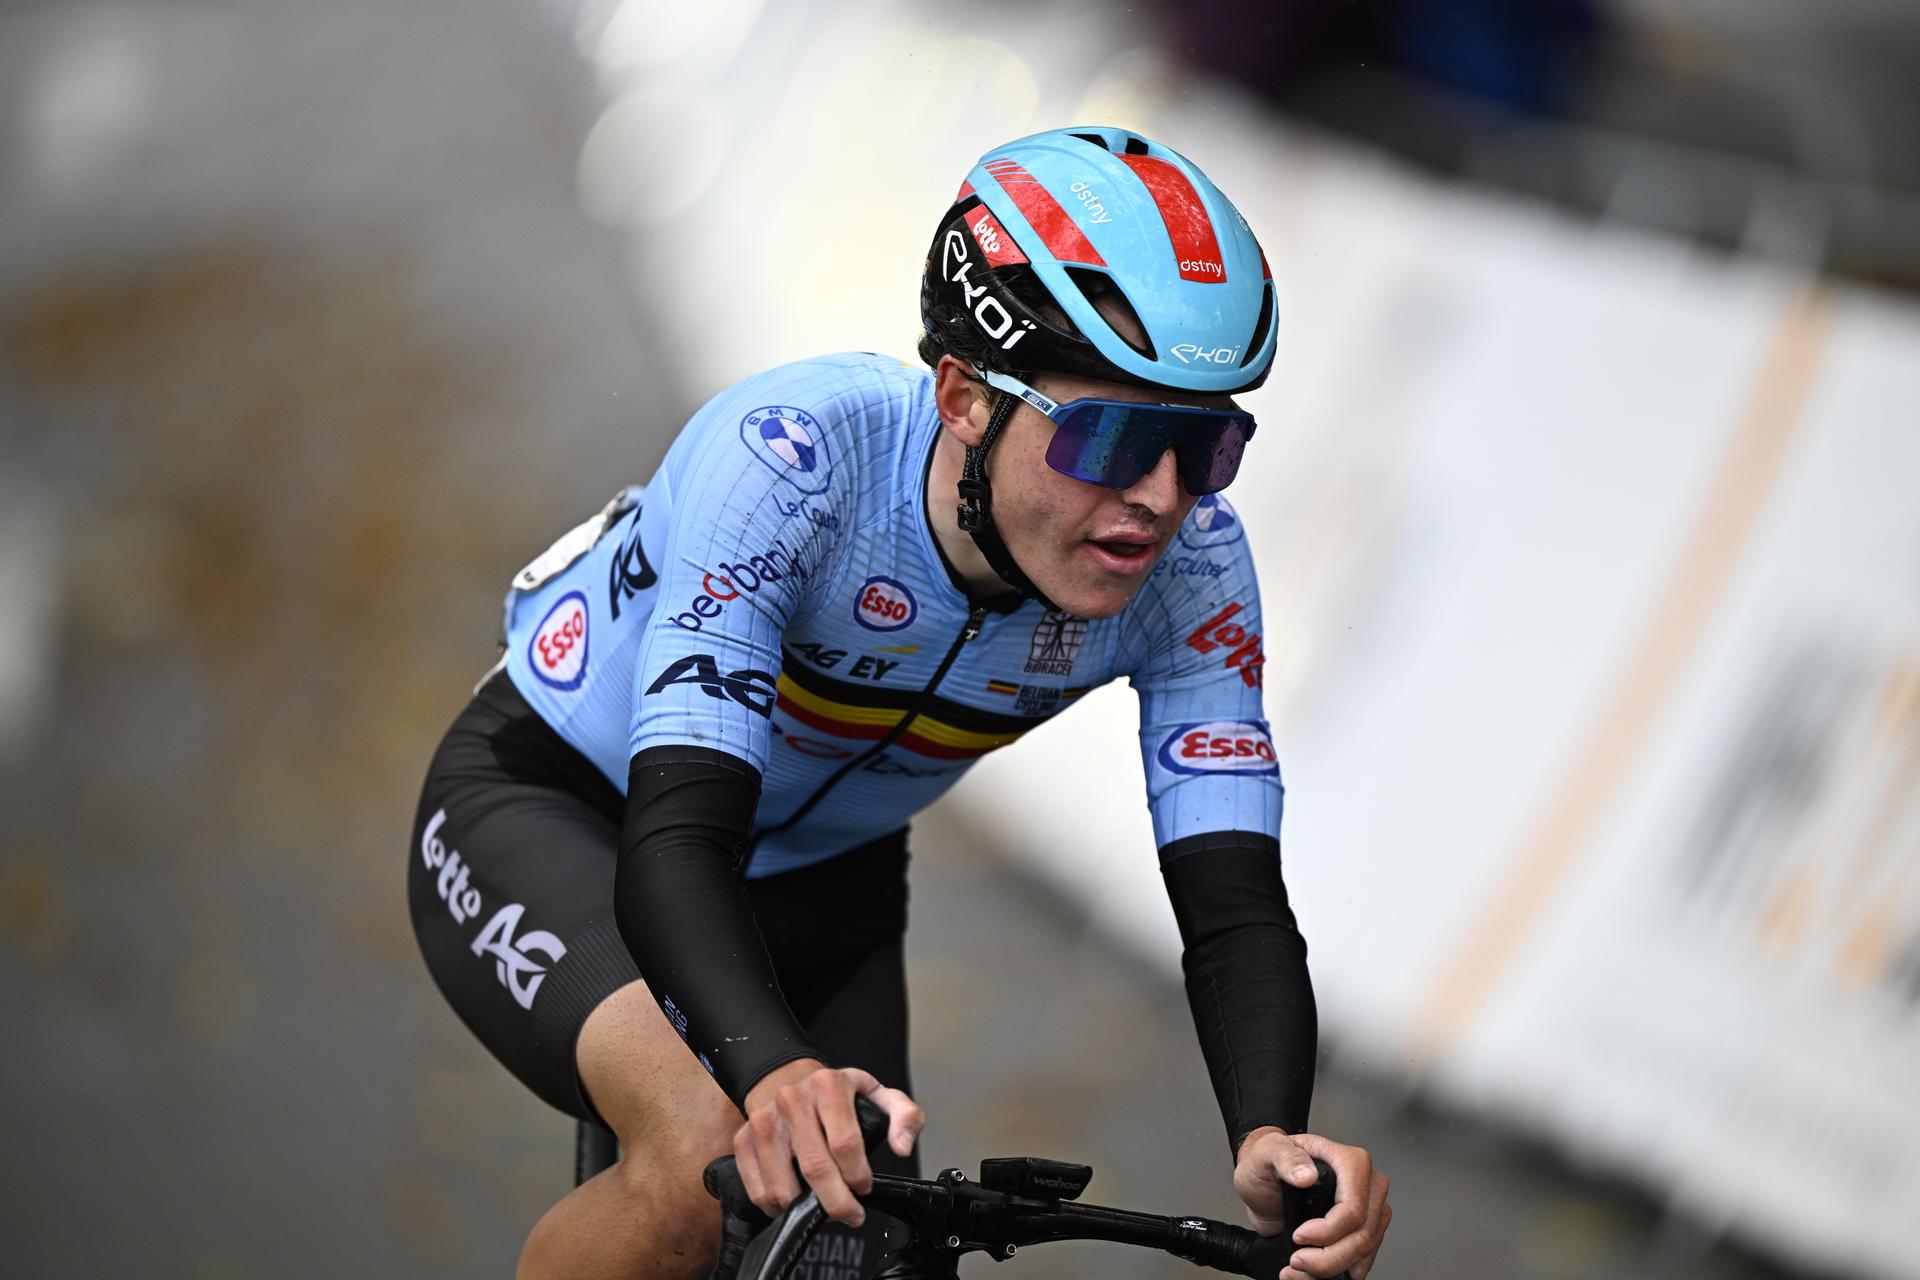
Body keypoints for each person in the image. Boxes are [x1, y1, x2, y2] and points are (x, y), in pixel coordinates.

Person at [408, 126, 1392, 1280]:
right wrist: (773, 1070)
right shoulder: (794, 461)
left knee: (877, 1259)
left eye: (1205, 443)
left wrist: (1271, 1129)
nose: (1161, 498)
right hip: (570, 812)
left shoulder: (1195, 572)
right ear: (966, 397)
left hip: (829, 885)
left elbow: (1235, 904)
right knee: (700, 1166)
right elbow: (677, 834)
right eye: (1114, 436)